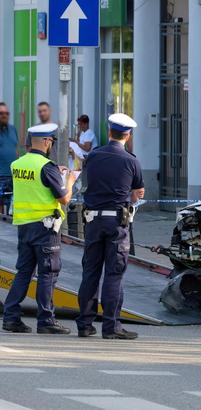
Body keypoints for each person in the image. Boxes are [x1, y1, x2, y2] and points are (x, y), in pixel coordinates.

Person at [76, 113, 145, 339]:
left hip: (92, 221)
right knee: (114, 274)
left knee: (90, 273)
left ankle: (85, 325)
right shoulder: (131, 160)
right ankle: (111, 326)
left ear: (109, 132)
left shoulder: (93, 156)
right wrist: (133, 196)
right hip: (116, 223)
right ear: (128, 135)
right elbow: (135, 195)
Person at [2, 123, 75, 334]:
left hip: (24, 226)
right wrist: (68, 180)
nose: (51, 144)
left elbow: (35, 185)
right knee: (48, 273)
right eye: (51, 141)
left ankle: (11, 317)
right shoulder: (46, 166)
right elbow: (63, 198)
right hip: (45, 229)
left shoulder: (18, 164)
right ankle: (46, 320)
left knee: (23, 272)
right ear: (45, 142)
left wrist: (55, 173)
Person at [0, 102, 18, 214]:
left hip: (13, 176)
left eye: (6, 113)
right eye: (1, 113)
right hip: (0, 176)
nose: (4, 115)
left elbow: (15, 149)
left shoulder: (13, 129)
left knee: (11, 209)